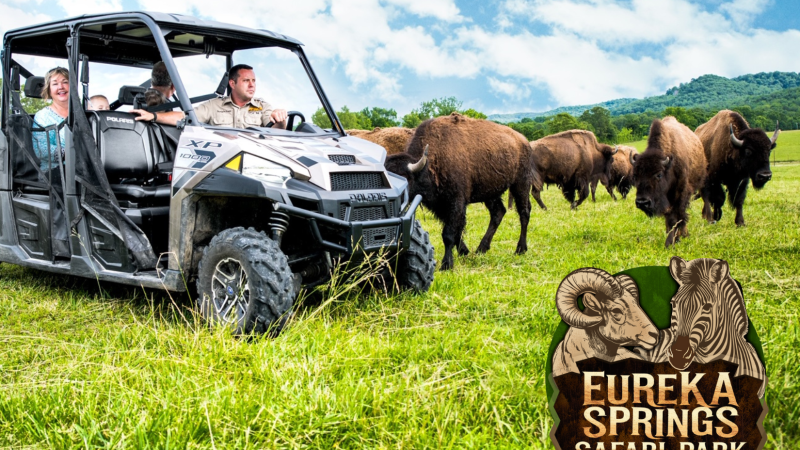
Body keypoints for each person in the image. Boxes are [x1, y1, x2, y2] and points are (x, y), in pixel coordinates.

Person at [193, 64, 287, 129]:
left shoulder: (263, 107)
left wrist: (280, 120)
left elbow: (275, 130)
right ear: (232, 84)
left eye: (253, 81)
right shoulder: (214, 105)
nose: (252, 85)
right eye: (246, 80)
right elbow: (185, 118)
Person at [32, 67, 69, 172]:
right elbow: (42, 150)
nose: (61, 87)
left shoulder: (82, 114)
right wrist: (72, 154)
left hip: (83, 172)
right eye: (55, 84)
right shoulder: (42, 116)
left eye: (65, 82)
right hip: (54, 173)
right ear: (49, 89)